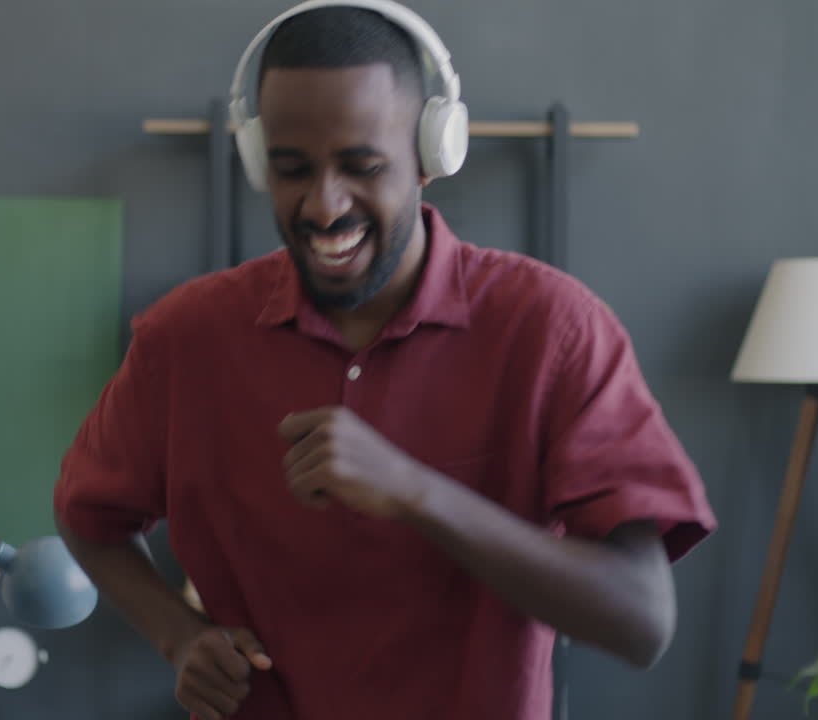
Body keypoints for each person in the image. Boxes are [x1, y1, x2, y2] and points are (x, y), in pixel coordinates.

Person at [53, 2, 717, 718]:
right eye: (291, 169)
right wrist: (178, 636)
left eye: (362, 166)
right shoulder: (185, 338)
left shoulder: (555, 329)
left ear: (433, 155)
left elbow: (642, 621)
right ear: (256, 161)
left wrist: (415, 491)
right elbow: (87, 515)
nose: (324, 204)